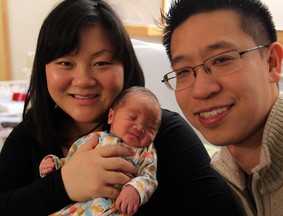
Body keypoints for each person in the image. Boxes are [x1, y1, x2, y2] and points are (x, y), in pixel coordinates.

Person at [0, 0, 239, 215]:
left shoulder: (163, 133)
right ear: (44, 69)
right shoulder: (31, 132)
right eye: (65, 63)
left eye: (101, 62)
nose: (83, 80)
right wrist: (62, 185)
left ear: (125, 67)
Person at [161, 0, 283, 215]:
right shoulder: (213, 181)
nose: (201, 90)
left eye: (222, 60)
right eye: (183, 71)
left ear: (272, 63)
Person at [39, 86, 161, 215]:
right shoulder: (95, 139)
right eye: (132, 117)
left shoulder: (146, 152)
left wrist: (135, 189)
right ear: (111, 116)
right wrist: (54, 164)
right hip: (80, 207)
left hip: (114, 208)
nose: (140, 127)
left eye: (150, 127)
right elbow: (71, 163)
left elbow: (149, 178)